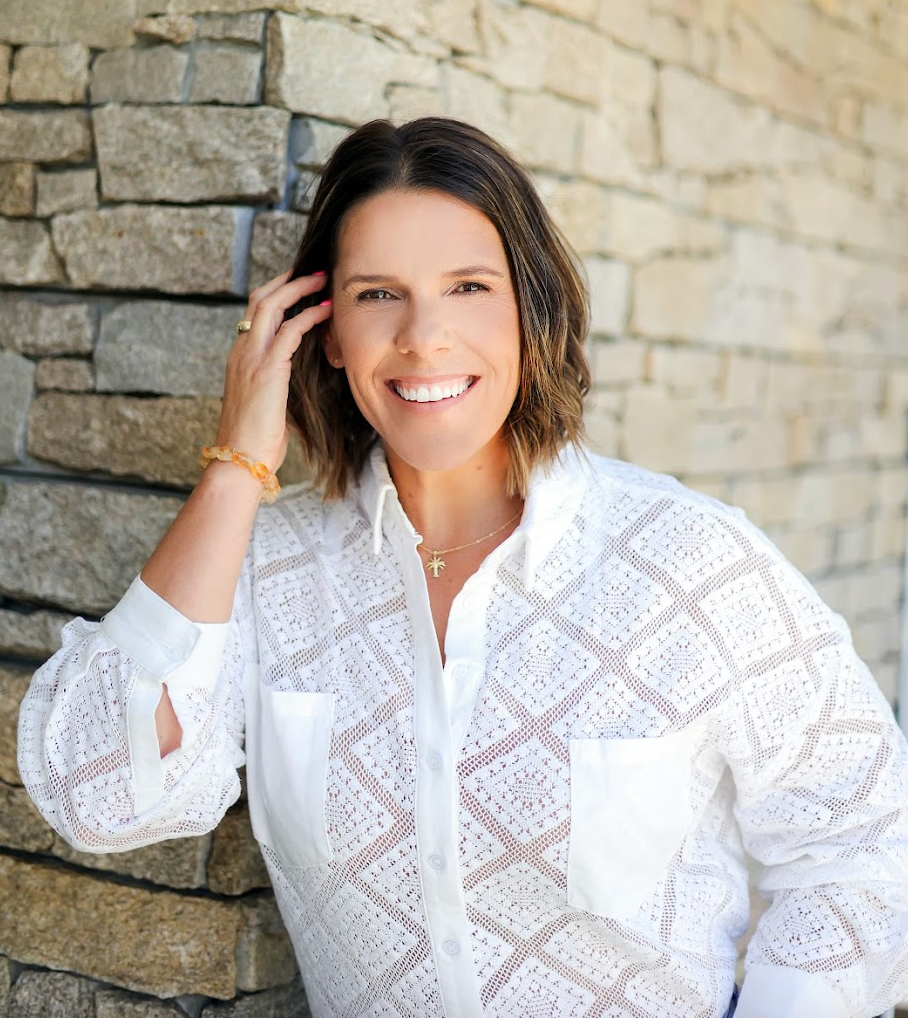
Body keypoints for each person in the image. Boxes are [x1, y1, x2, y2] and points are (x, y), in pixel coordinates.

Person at [17, 117, 908, 1018]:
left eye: (469, 286)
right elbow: (101, 798)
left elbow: (867, 845)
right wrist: (237, 464)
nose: (424, 336)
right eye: (377, 295)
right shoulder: (261, 570)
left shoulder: (692, 563)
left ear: (529, 309)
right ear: (322, 333)